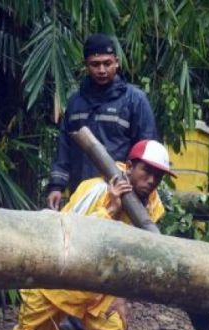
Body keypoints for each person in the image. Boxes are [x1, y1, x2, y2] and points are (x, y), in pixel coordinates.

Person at [12, 141, 175, 330]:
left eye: (158, 176)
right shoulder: (95, 190)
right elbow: (69, 233)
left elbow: (136, 253)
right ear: (129, 167)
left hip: (104, 285)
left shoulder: (152, 207)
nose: (152, 181)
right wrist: (109, 210)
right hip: (61, 275)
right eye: (147, 172)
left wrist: (121, 294)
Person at [45, 34, 158, 210]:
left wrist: (143, 194)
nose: (102, 70)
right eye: (95, 64)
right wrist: (56, 186)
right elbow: (64, 148)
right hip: (82, 197)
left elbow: (147, 152)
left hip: (121, 198)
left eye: (107, 63)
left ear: (117, 62)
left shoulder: (135, 101)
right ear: (86, 66)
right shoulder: (75, 103)